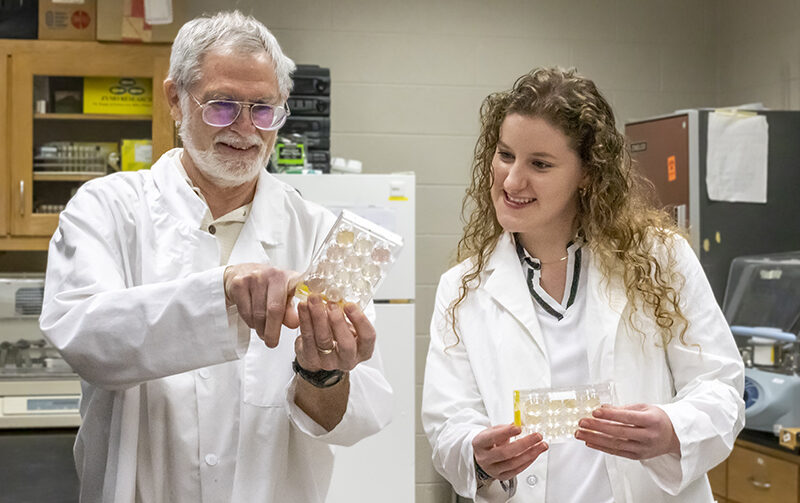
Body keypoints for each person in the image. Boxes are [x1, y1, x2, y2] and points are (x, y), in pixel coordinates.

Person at [39, 11, 392, 503]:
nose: (246, 129)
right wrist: (222, 291)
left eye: (263, 108)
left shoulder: (316, 234)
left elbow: (358, 417)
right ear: (175, 100)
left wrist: (322, 374)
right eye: (223, 106)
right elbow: (85, 337)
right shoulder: (108, 209)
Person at [421, 67, 744, 502]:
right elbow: (447, 422)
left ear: (587, 173)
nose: (512, 180)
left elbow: (721, 386)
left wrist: (673, 430)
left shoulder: (659, 258)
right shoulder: (463, 287)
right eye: (504, 155)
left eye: (540, 164)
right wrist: (475, 455)